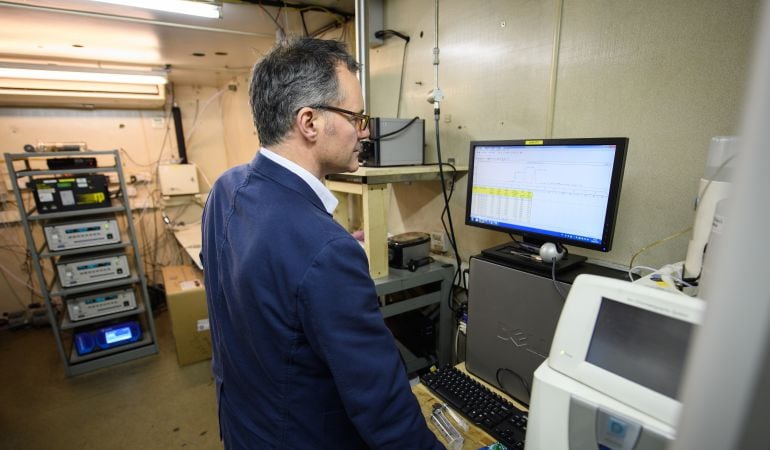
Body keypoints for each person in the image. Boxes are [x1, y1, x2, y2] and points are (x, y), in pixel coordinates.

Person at [201, 37, 445, 450]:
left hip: (244, 427)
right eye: (356, 115)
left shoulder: (224, 188)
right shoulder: (329, 250)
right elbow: (382, 406)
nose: (364, 130)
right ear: (309, 122)